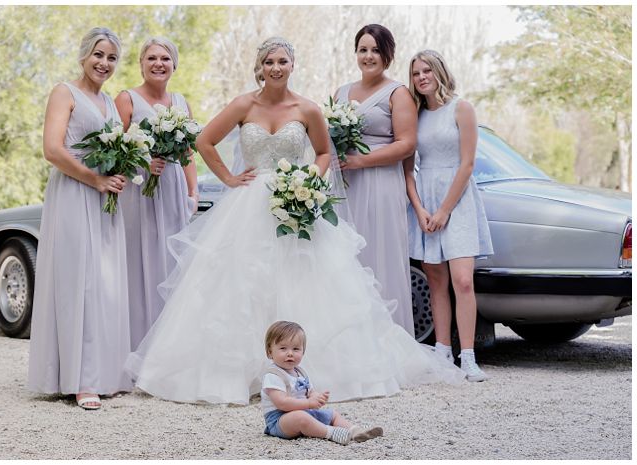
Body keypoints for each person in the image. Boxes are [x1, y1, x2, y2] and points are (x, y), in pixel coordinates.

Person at [125, 37, 465, 405]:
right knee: (241, 283)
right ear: (260, 67)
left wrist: (308, 181)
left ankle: (304, 370)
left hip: (294, 203)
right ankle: (239, 373)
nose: (275, 67)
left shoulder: (307, 108)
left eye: (282, 61)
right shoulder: (243, 104)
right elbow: (204, 142)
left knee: (304, 280)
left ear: (292, 65)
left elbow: (322, 153)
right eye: (269, 61)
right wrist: (228, 178)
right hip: (248, 204)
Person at [26, 28, 132, 410]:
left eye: (112, 58)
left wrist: (120, 173)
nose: (104, 63)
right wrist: (95, 179)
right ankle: (79, 379)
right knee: (79, 281)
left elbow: (117, 150)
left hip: (105, 201)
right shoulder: (64, 92)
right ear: (84, 55)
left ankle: (104, 372)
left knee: (104, 284)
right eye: (98, 55)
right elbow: (52, 149)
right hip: (74, 193)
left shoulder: (108, 102)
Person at [405, 50, 494, 381]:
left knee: (462, 280)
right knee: (436, 280)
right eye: (415, 73)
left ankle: (467, 356)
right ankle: (442, 351)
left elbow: (467, 164)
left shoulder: (461, 108)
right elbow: (408, 170)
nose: (422, 77)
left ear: (440, 71)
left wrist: (444, 210)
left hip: (457, 202)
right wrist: (421, 209)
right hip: (425, 202)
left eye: (427, 70)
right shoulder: (414, 115)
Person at [115, 37, 199, 350]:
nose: (158, 64)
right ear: (141, 64)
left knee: (170, 262)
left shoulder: (181, 102)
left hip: (173, 192)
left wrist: (192, 192)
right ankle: (134, 345)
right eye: (151, 58)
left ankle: (168, 348)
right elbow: (114, 149)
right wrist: (142, 161)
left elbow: (188, 152)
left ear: (174, 65)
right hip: (138, 193)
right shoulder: (127, 100)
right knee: (138, 261)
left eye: (165, 58)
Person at [333, 24, 417, 336]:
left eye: (376, 50)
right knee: (346, 257)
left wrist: (361, 160)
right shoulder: (341, 92)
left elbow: (406, 144)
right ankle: (351, 338)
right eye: (363, 49)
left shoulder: (398, 93)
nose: (369, 56)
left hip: (381, 183)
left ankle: (388, 338)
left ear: (388, 55)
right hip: (345, 185)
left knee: (380, 254)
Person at [261, 321, 383, 444]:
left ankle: (355, 431)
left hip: (303, 411)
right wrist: (309, 403)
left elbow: (310, 392)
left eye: (296, 349)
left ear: (303, 352)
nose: (290, 353)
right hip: (279, 420)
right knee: (300, 418)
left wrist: (316, 398)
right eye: (283, 348)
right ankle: (331, 432)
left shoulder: (300, 373)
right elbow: (282, 403)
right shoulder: (273, 375)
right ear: (270, 352)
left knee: (332, 414)